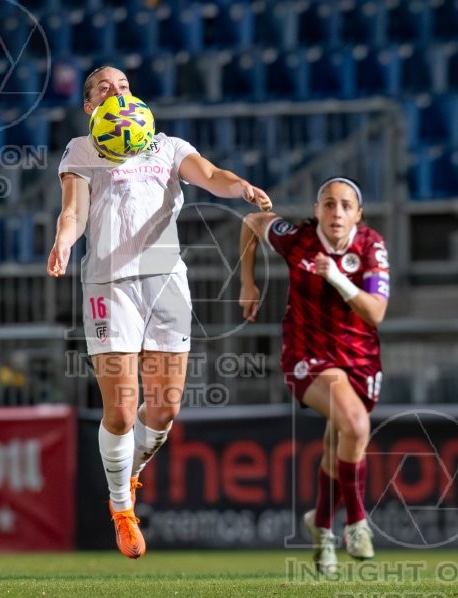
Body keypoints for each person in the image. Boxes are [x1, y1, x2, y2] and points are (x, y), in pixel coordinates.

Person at [47, 65, 272, 559]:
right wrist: (64, 242)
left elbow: (211, 176)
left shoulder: (167, 146)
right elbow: (74, 212)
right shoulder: (82, 151)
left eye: (123, 85)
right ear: (90, 107)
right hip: (110, 285)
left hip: (166, 281)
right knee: (123, 409)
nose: (116, 91)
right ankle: (122, 508)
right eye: (105, 88)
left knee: (166, 407)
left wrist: (243, 188)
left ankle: (130, 475)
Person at [238, 177, 389, 573]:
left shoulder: (371, 246)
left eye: (344, 205)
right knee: (355, 425)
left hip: (361, 359)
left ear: (358, 214)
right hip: (308, 356)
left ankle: (321, 529)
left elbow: (375, 312)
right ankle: (357, 522)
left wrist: (336, 277)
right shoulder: (297, 239)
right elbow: (252, 221)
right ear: (317, 209)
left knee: (337, 443)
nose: (336, 212)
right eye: (328, 204)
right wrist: (247, 282)